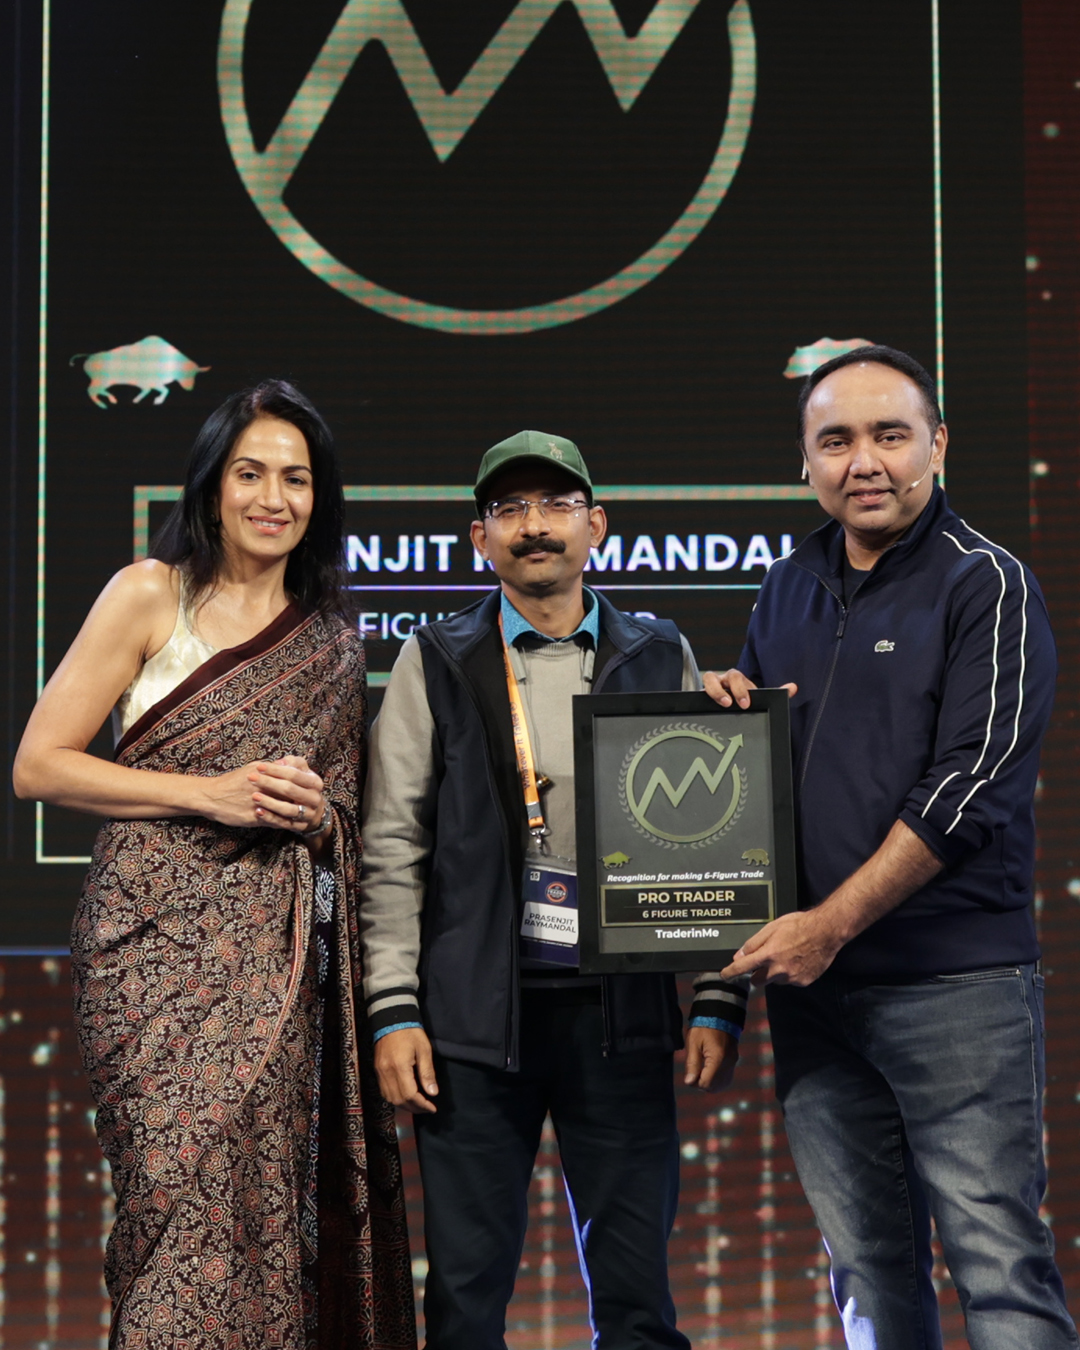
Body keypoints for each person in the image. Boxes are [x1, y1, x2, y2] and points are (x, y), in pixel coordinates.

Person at [13, 381, 415, 1350]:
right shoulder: (150, 593)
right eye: (251, 474)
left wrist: (320, 818)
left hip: (280, 973)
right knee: (171, 1201)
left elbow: (348, 820)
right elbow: (39, 766)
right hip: (149, 958)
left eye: (296, 479)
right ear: (212, 485)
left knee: (269, 1211)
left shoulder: (331, 641)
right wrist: (210, 792)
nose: (273, 498)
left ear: (319, 498)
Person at [706, 346, 1076, 1349]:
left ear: (937, 446)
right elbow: (756, 789)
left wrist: (829, 925)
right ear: (805, 463)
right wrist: (719, 719)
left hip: (955, 991)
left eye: (890, 435)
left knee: (999, 1268)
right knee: (868, 1275)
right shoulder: (786, 586)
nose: (863, 461)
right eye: (836, 441)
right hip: (816, 1002)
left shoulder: (987, 584)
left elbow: (970, 790)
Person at [359, 430, 746, 1350]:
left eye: (557, 505)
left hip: (621, 1015)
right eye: (510, 509)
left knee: (638, 1301)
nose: (534, 525)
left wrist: (719, 993)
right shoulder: (436, 656)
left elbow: (706, 843)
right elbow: (392, 843)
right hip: (470, 1026)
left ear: (596, 526)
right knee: (463, 1303)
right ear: (480, 538)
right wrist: (391, 1009)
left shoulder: (659, 650)